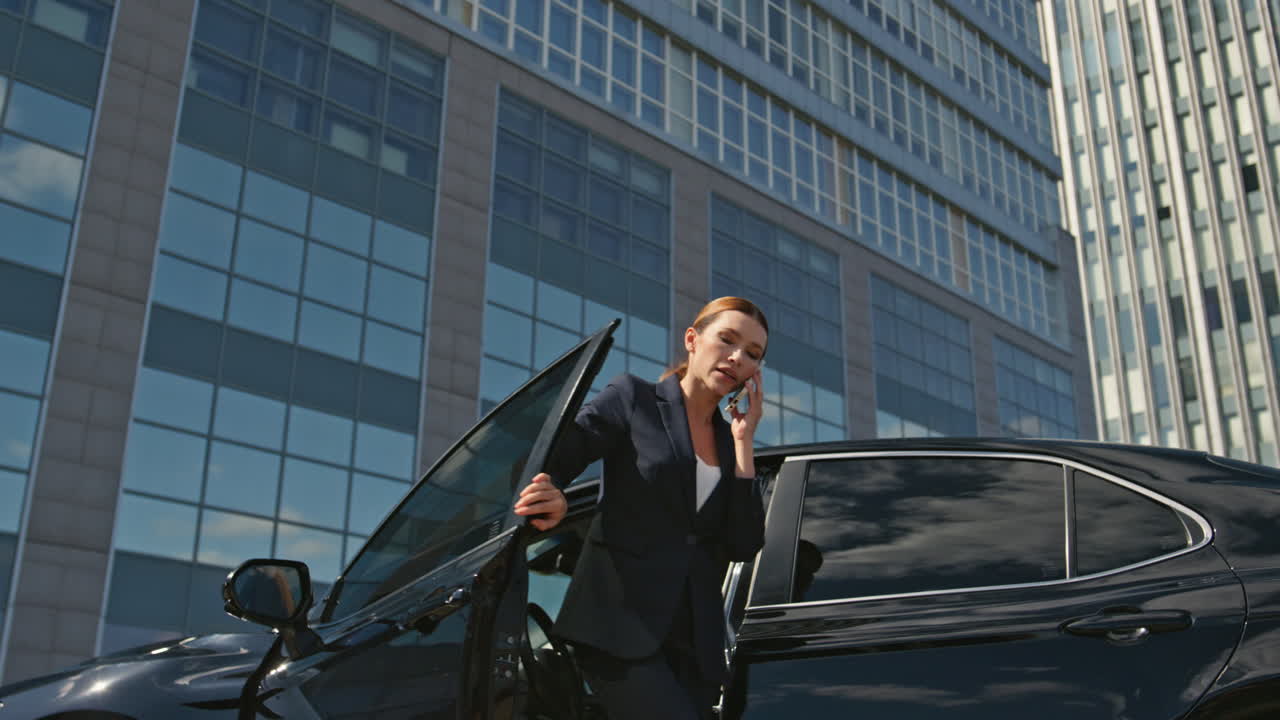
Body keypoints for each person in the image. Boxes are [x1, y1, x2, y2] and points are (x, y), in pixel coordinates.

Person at [513, 296, 769, 720]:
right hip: (620, 627)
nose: (737, 357)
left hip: (694, 645)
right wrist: (552, 489)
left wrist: (744, 443)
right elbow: (557, 452)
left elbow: (743, 543)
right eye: (727, 340)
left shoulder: (730, 442)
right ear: (693, 339)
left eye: (752, 354)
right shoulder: (634, 398)